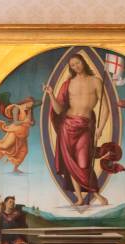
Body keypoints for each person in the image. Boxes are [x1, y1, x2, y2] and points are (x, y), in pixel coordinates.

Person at [43, 53, 109, 206]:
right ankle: (79, 198)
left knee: (83, 163)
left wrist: (100, 128)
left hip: (85, 126)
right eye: (72, 65)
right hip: (67, 126)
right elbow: (59, 111)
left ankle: (97, 195)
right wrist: (51, 94)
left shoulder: (96, 81)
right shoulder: (68, 84)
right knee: (71, 164)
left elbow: (105, 108)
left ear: (83, 62)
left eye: (77, 63)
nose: (76, 67)